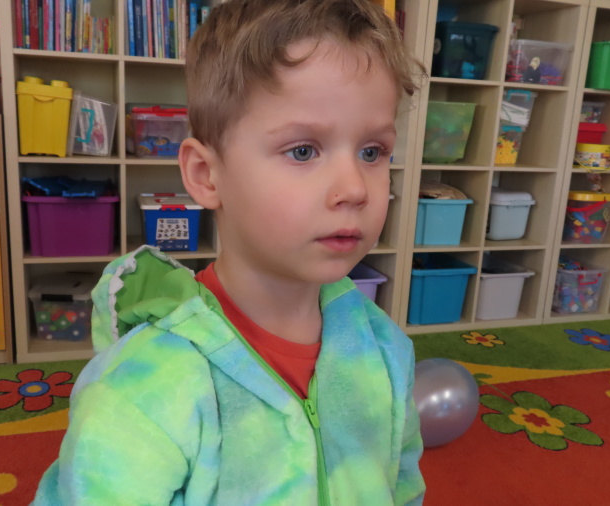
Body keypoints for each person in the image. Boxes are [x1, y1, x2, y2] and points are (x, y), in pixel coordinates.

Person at [33, 0, 426, 503]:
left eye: (372, 152)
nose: (354, 188)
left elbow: (401, 487)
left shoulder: (385, 351)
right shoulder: (144, 391)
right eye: (303, 150)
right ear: (206, 175)